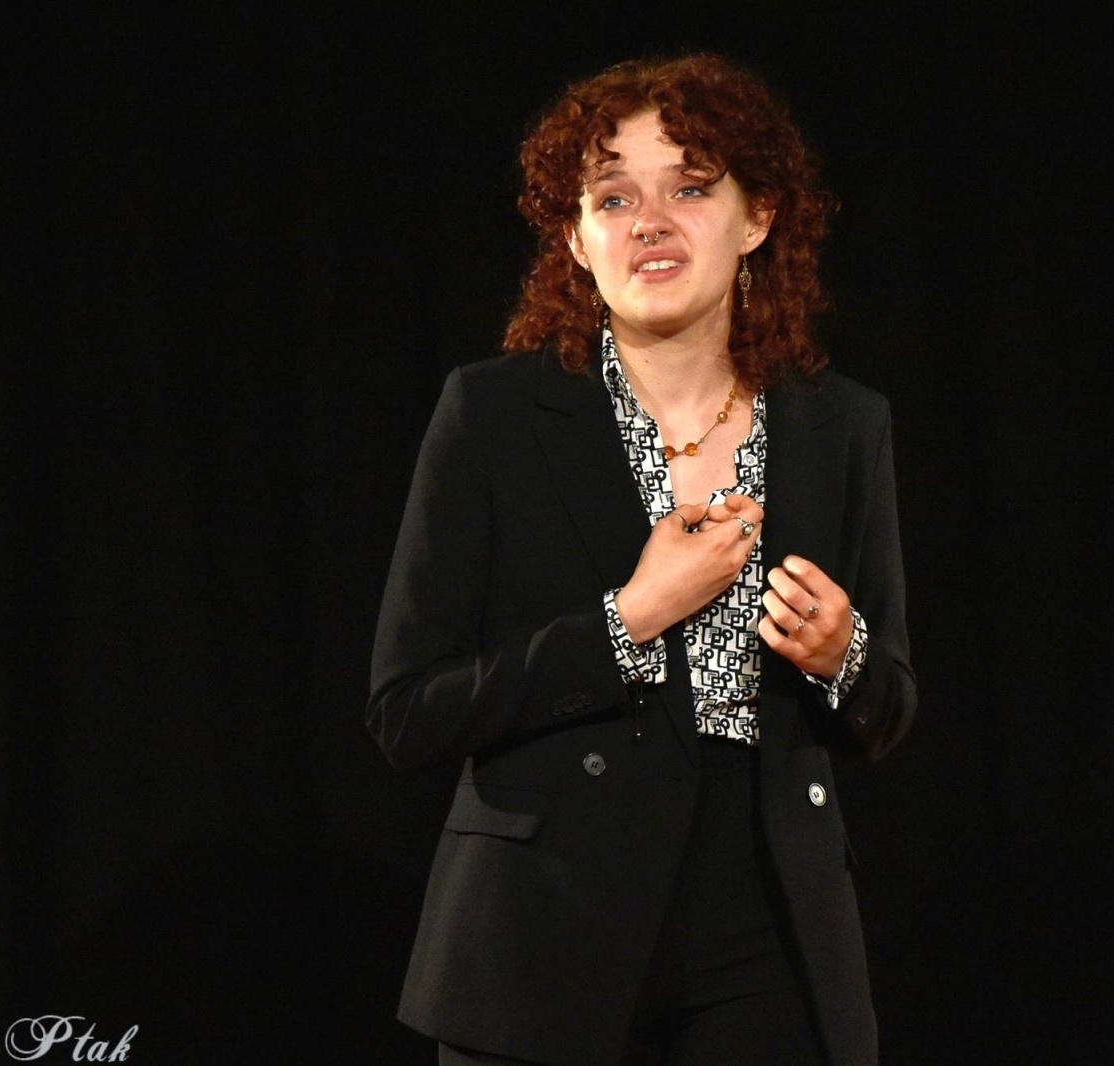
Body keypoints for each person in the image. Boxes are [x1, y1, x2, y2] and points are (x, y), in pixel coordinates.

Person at [367, 53, 917, 1066]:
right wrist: (628, 622)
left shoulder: (841, 426)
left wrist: (841, 655)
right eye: (613, 198)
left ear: (757, 219)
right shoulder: (491, 415)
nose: (649, 223)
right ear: (577, 239)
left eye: (691, 188)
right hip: (544, 925)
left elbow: (889, 706)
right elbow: (408, 710)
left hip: (767, 928)